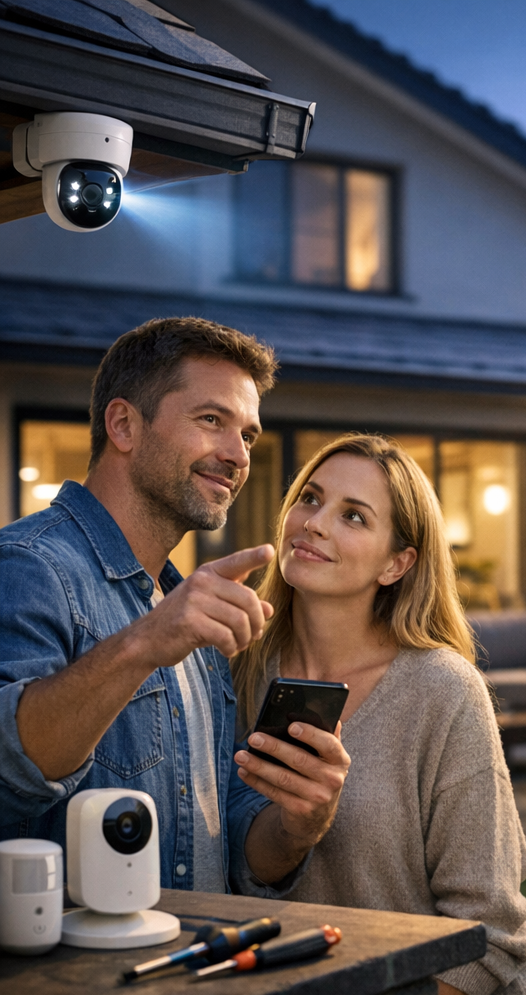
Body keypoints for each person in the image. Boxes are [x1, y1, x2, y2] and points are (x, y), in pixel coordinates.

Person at [0, 318, 348, 895]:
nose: (238, 455)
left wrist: (298, 825)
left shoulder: (183, 605)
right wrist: (142, 643)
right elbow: (9, 772)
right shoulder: (30, 566)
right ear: (123, 425)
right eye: (211, 420)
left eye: (249, 436)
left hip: (188, 972)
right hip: (75, 977)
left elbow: (221, 840)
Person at [232, 433, 526, 995]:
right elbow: (236, 868)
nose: (315, 523)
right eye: (310, 498)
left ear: (397, 563)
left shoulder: (442, 689)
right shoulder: (238, 672)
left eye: (353, 515)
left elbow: (491, 925)